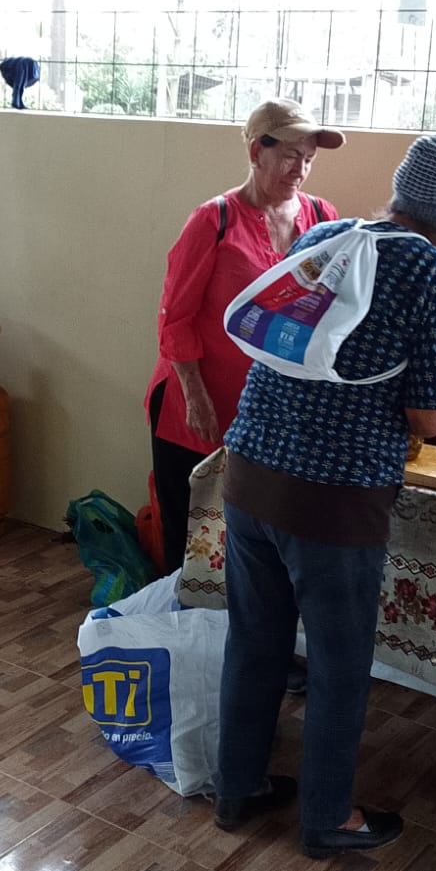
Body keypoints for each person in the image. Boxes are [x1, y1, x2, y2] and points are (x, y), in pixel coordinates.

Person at [212, 134, 436, 859]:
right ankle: (327, 819)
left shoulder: (328, 236)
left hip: (249, 475)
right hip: (332, 500)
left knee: (255, 643)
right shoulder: (432, 271)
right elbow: (431, 417)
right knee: (339, 667)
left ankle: (237, 789)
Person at [145, 98, 343, 578]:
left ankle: (243, 620)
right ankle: (181, 616)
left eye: (309, 159)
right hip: (197, 401)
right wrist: (196, 396)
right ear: (256, 151)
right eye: (290, 155)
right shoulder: (213, 220)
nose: (300, 169)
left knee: (252, 534)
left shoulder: (322, 217)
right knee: (191, 529)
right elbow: (175, 317)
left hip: (269, 409)